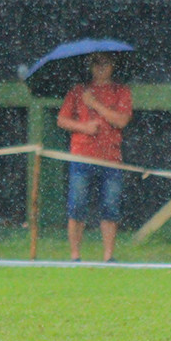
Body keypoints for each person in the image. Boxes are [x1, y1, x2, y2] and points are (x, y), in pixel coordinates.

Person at [57, 52, 133, 262]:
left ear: (113, 66)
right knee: (77, 206)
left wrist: (95, 104)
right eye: (95, 63)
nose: (100, 68)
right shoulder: (77, 91)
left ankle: (108, 256)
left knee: (110, 208)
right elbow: (62, 120)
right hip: (82, 156)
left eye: (105, 63)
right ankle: (75, 256)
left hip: (111, 158)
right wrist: (84, 127)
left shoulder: (121, 92)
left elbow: (121, 121)